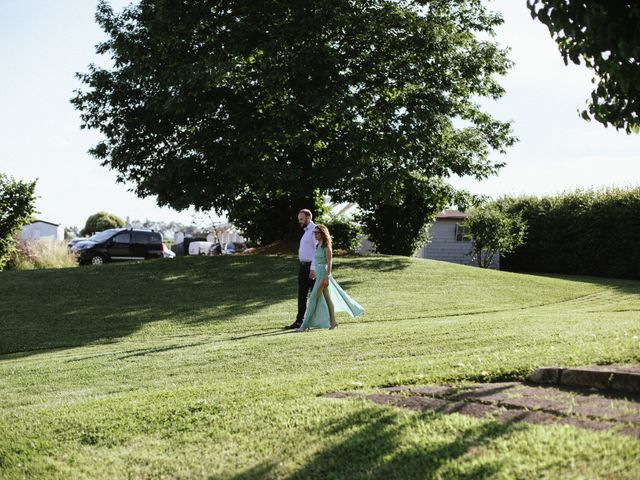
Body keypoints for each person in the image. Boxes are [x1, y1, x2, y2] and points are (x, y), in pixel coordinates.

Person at [295, 224, 364, 332]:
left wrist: (327, 277)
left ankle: (304, 325)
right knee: (327, 299)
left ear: (322, 234)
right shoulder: (318, 245)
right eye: (314, 232)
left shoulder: (327, 247)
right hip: (318, 273)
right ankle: (333, 322)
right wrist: (313, 271)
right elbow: (316, 260)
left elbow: (329, 263)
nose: (315, 234)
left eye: (317, 232)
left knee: (312, 299)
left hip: (323, 275)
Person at [285, 209, 316, 330]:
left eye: (301, 219)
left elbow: (317, 250)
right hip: (303, 267)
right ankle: (299, 321)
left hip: (311, 267)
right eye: (299, 219)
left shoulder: (314, 230)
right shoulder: (306, 231)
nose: (299, 221)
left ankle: (312, 320)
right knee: (301, 294)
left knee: (314, 296)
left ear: (308, 217)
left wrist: (313, 268)